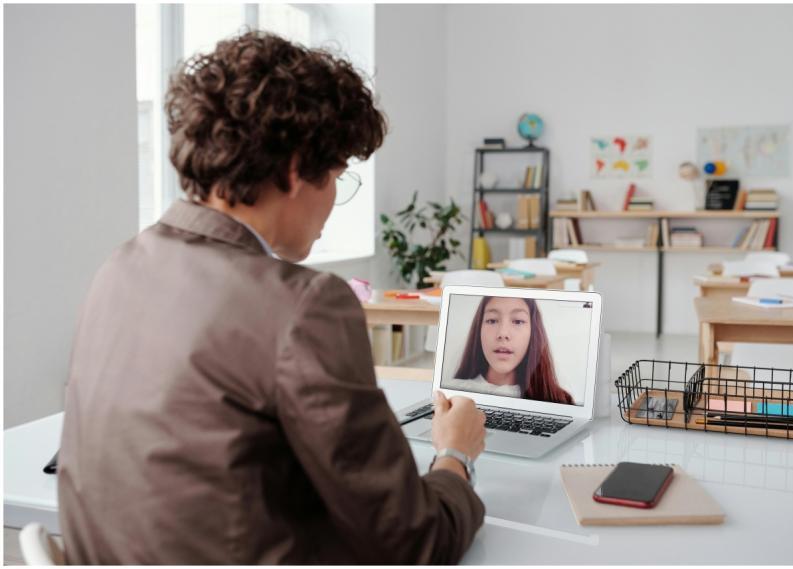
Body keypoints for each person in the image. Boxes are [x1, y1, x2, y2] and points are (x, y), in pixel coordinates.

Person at [57, 31, 486, 564]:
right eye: (335, 176)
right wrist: (455, 456)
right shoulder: (301, 305)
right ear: (295, 168)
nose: (333, 201)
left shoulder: (120, 266)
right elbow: (412, 540)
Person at [446, 296, 574, 404]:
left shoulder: (558, 401)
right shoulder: (452, 393)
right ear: (478, 329)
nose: (503, 333)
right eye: (492, 320)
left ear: (533, 333)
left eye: (518, 321)